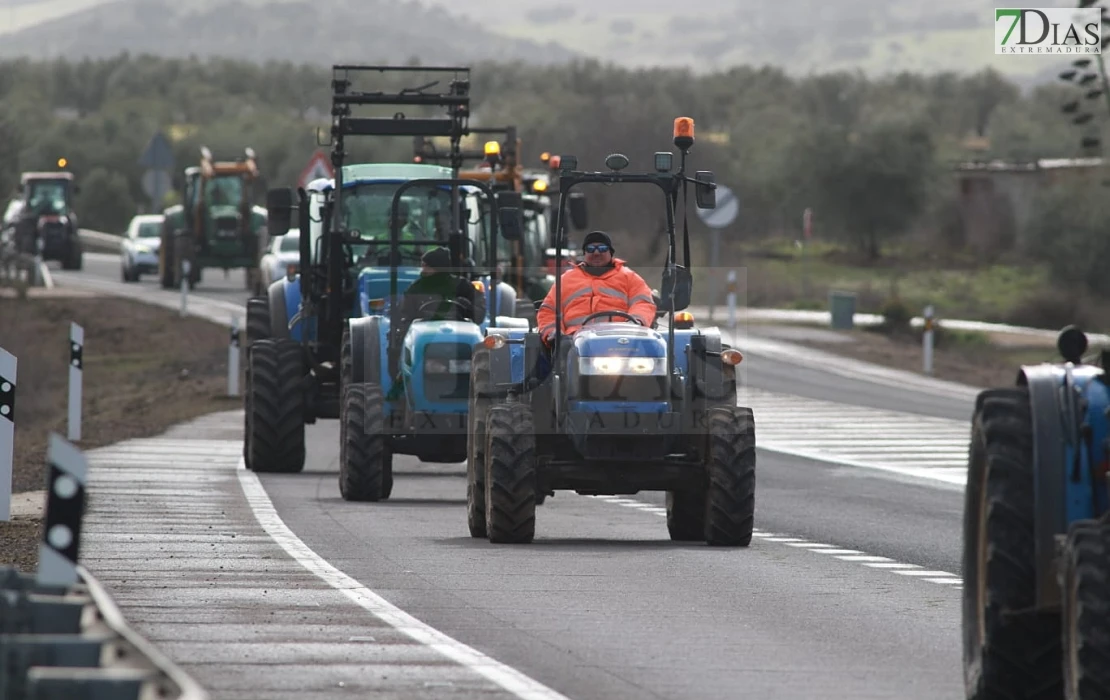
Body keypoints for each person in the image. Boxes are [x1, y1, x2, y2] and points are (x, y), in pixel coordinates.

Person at [536, 230, 656, 347]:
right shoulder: (565, 280)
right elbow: (548, 310)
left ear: (611, 253)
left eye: (602, 248)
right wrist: (553, 332)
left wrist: (634, 323)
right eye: (590, 249)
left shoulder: (629, 277)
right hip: (574, 342)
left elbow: (643, 303)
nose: (597, 253)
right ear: (584, 254)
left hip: (620, 340)